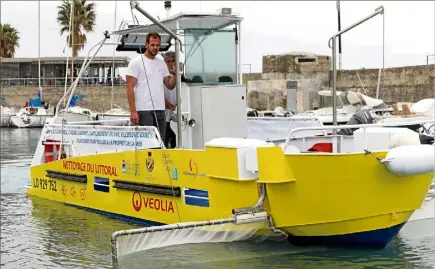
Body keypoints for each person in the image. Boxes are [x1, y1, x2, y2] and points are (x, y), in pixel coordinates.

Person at [125, 32, 176, 142]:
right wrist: (133, 111)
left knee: (161, 142)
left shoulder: (161, 63)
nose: (155, 48)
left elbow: (170, 85)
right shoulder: (135, 63)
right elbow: (129, 87)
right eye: (152, 45)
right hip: (143, 110)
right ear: (146, 44)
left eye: (157, 45)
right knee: (147, 144)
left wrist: (176, 72)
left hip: (160, 110)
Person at [163, 51, 179, 148]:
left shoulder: (180, 76)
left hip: (176, 118)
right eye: (168, 61)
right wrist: (174, 108)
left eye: (173, 61)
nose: (171, 63)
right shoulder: (161, 77)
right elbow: (159, 98)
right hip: (164, 118)